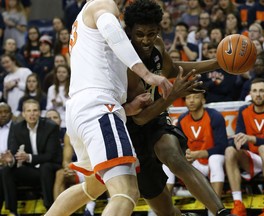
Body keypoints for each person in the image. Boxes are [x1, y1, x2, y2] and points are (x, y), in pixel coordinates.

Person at [45, 0, 173, 215]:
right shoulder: (102, 4)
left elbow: (101, 67)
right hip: (98, 110)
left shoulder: (82, 18)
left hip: (83, 110)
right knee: (126, 191)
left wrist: (127, 108)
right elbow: (112, 31)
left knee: (92, 187)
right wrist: (147, 75)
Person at [124, 1, 232, 215]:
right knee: (166, 211)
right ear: (129, 32)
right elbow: (139, 118)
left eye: (151, 33)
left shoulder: (157, 45)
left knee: (173, 156)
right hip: (131, 129)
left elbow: (172, 69)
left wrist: (218, 63)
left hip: (156, 118)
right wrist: (172, 95)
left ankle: (220, 212)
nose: (146, 40)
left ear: (158, 30)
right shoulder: (125, 62)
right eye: (139, 34)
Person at [225, 78, 264, 216]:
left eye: (261, 91)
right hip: (253, 158)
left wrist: (251, 138)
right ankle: (238, 204)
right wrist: (238, 142)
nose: (258, 94)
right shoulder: (243, 111)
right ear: (250, 94)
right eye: (255, 91)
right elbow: (240, 137)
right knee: (229, 151)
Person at [1, 99, 63, 216]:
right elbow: (14, 151)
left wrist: (28, 157)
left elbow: (50, 155)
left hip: (51, 167)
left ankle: (49, 209)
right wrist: (12, 159)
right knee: (7, 170)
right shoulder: (17, 128)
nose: (32, 114)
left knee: (45, 167)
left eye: (35, 110)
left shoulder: (50, 127)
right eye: (28, 111)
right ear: (23, 114)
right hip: (32, 170)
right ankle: (12, 211)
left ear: (39, 113)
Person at [177, 90, 228, 216]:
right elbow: (179, 145)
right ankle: (160, 211)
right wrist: (186, 154)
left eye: (196, 97)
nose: (192, 100)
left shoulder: (215, 116)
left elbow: (222, 146)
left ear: (204, 100)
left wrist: (197, 154)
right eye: (188, 97)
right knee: (167, 165)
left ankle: (214, 211)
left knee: (215, 159)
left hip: (212, 164)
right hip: (193, 165)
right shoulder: (182, 119)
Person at [46, 109, 96, 216]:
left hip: (97, 167)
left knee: (102, 170)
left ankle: (90, 207)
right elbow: (66, 159)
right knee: (60, 174)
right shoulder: (69, 134)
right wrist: (68, 168)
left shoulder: (95, 128)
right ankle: (59, 212)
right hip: (80, 169)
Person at [0, 102, 13, 212]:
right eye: (0, 112)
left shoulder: (17, 128)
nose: (3, 115)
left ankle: (11, 210)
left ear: (11, 114)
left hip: (11, 164)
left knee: (5, 171)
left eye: (6, 112)